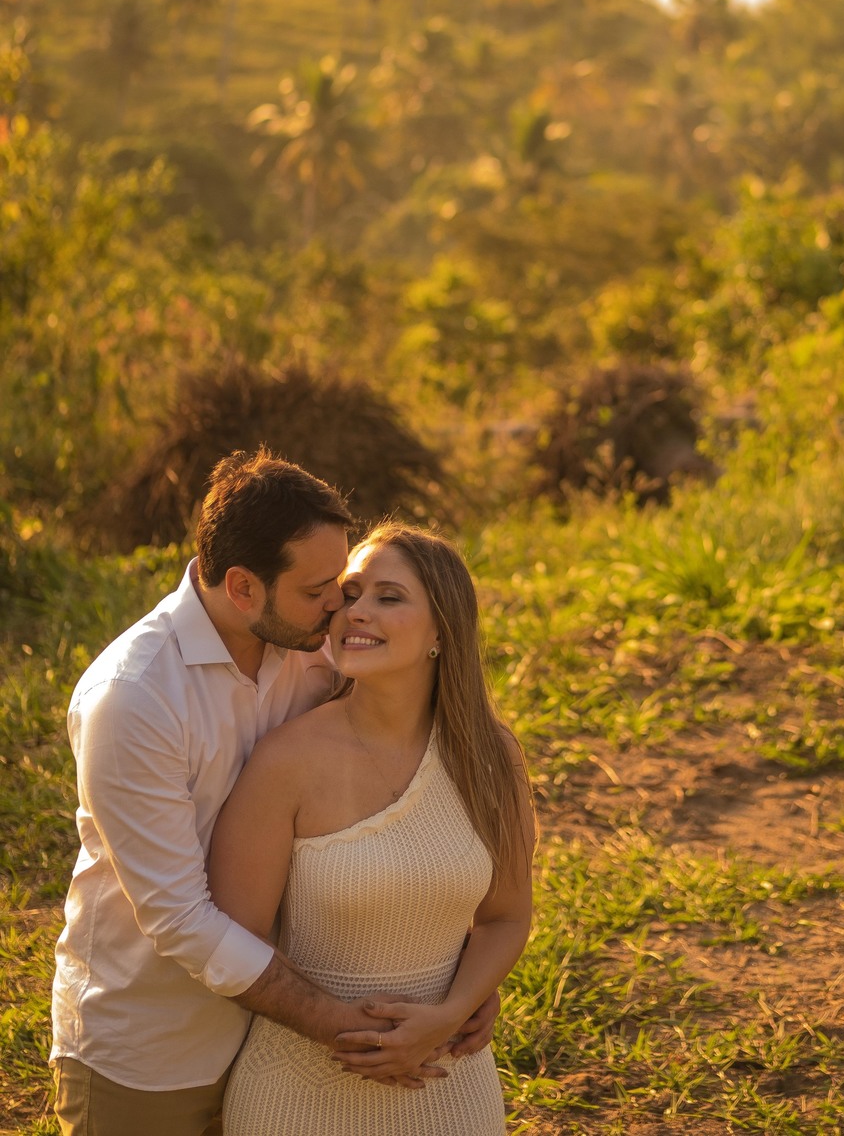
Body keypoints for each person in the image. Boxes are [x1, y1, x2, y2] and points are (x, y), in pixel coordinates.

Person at [50, 452, 498, 1136]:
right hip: (153, 1052)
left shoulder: (316, 647)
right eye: (322, 589)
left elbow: (389, 812)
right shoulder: (135, 699)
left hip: (274, 1044)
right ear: (241, 587)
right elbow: (179, 921)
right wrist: (354, 1032)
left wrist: (460, 984)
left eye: (343, 585)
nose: (341, 607)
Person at [210, 522, 536, 1136]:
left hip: (448, 1087)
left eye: (389, 597)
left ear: (443, 628)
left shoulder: (491, 756)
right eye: (350, 594)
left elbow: (506, 916)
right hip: (297, 1094)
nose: (356, 612)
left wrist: (452, 1013)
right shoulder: (286, 760)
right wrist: (341, 1029)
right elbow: (234, 941)